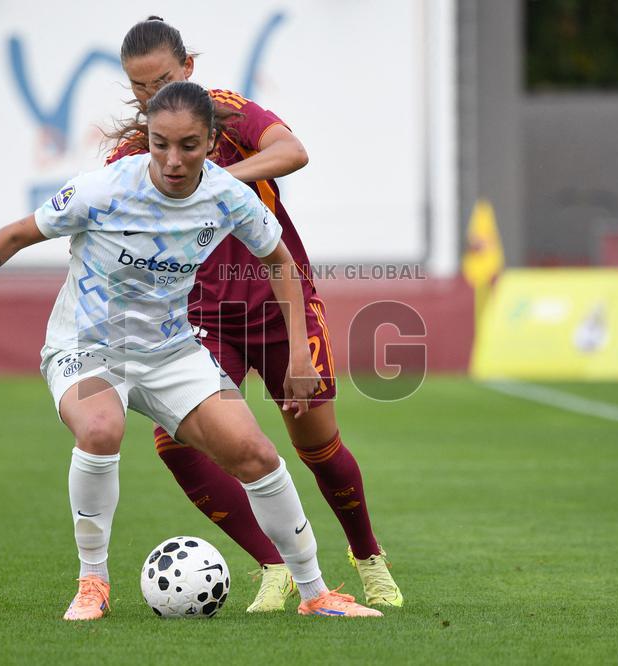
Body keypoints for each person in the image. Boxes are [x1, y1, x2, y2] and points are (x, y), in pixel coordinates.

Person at [0, 81, 381, 620]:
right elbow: (17, 236)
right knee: (99, 428)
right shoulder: (103, 189)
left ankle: (315, 593)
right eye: (160, 143)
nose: (172, 159)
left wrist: (301, 353)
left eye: (188, 145)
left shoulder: (228, 194)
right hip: (88, 346)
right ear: (147, 138)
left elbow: (279, 260)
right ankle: (92, 584)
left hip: (170, 351)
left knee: (256, 454)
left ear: (212, 143)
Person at [107, 16, 403, 612]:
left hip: (276, 300)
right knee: (175, 442)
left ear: (187, 68)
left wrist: (213, 183)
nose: (151, 97)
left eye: (162, 79)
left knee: (317, 447)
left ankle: (368, 558)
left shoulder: (227, 114)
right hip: (200, 316)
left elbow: (293, 151)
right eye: (139, 88)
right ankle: (275, 564)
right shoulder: (132, 156)